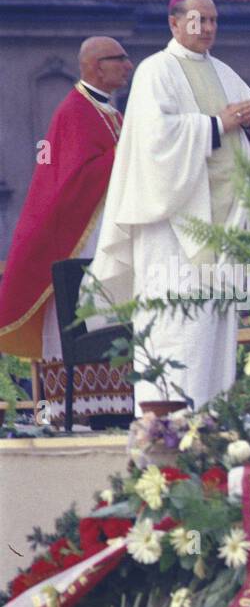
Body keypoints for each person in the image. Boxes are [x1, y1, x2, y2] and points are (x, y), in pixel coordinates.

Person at [83, 0, 250, 411]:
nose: (206, 28)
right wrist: (216, 123)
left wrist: (249, 122)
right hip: (172, 224)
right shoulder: (156, 71)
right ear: (174, 23)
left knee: (216, 325)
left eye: (212, 21)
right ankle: (165, 423)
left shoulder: (225, 72)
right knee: (175, 323)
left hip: (222, 221)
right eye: (197, 20)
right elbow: (155, 140)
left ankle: (212, 415)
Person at [0, 37, 133, 424]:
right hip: (81, 238)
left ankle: (118, 401)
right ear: (94, 66)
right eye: (119, 60)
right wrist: (125, 152)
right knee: (80, 315)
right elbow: (73, 181)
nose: (128, 66)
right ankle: (76, 408)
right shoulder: (74, 111)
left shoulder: (111, 112)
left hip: (108, 232)